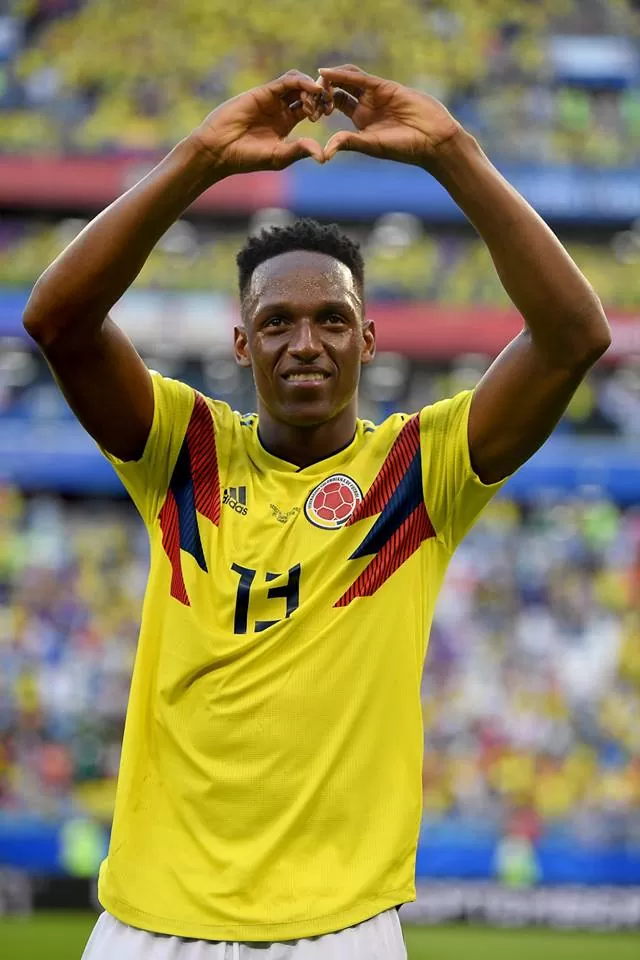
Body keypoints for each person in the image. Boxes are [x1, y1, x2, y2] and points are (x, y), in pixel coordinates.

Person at [23, 65, 610, 960]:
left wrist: (453, 153)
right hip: (149, 926)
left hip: (338, 933)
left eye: (333, 320)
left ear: (369, 338)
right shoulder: (184, 450)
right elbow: (59, 322)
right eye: (277, 322)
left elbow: (575, 336)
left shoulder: (422, 471)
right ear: (241, 342)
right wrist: (200, 158)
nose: (306, 343)